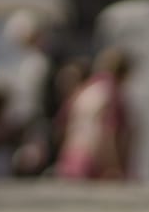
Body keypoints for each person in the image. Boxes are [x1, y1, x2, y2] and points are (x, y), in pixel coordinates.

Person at [53, 44, 134, 180]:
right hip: (95, 161)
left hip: (72, 157)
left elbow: (64, 126)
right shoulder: (111, 93)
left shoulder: (85, 90)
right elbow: (108, 133)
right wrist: (113, 166)